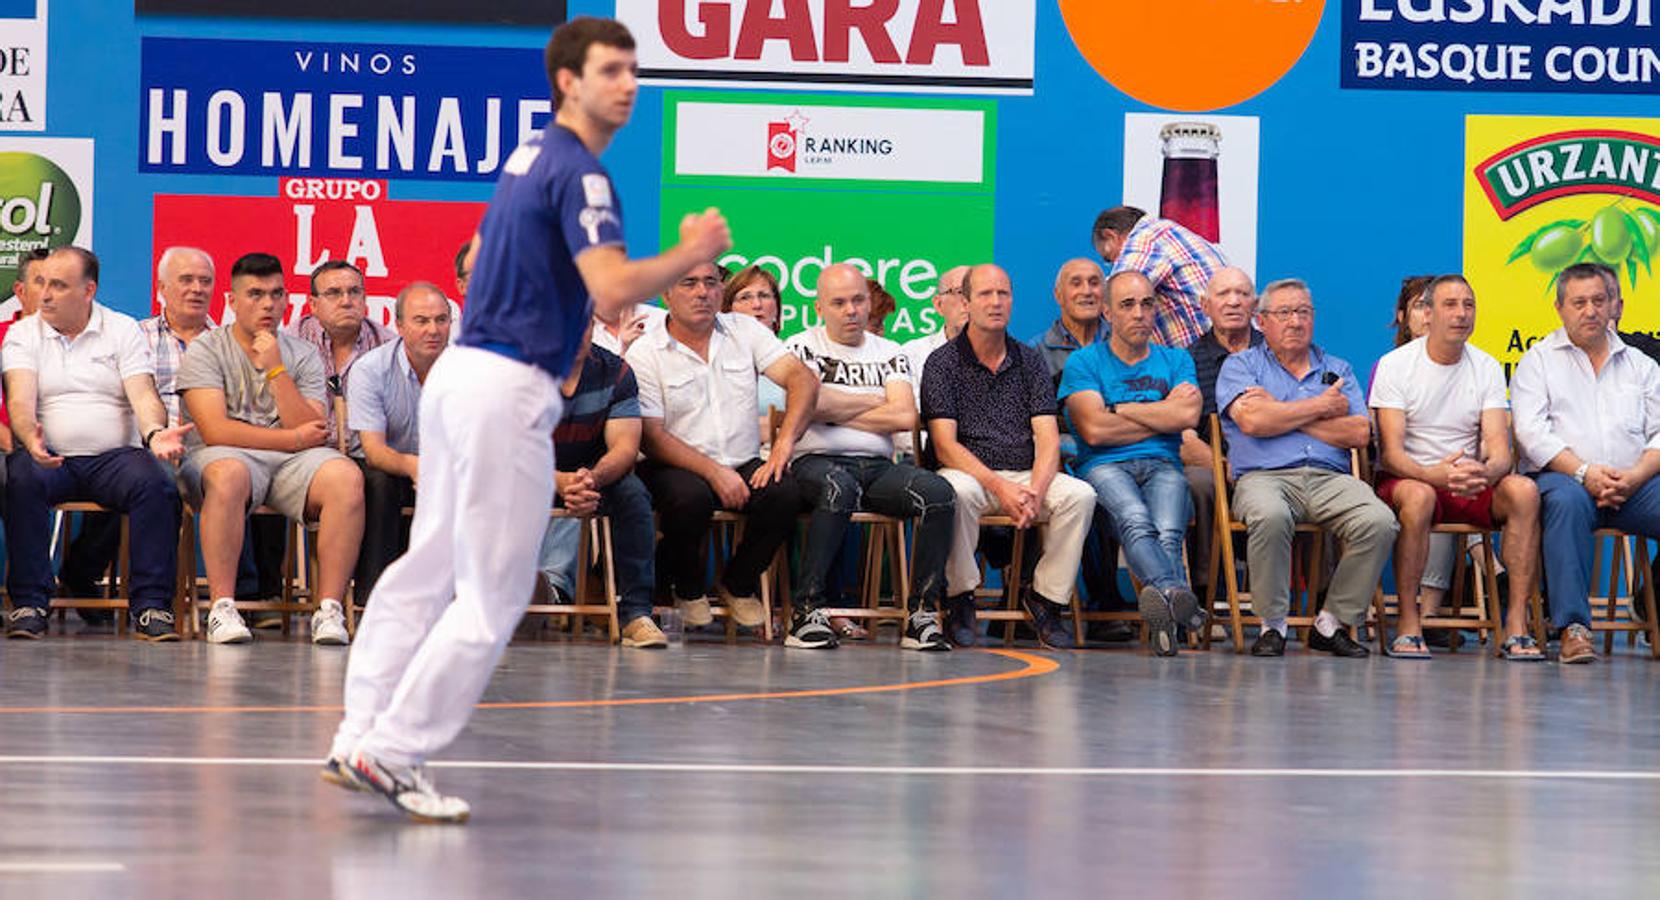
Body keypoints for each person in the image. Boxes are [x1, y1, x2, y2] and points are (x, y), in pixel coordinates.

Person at [327, 16, 733, 824]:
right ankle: (393, 748)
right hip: (504, 389)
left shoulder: (525, 158)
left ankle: (357, 734)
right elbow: (615, 288)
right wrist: (690, 252)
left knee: (429, 569)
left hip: (462, 381)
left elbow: (482, 251)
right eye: (610, 70)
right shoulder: (581, 175)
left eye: (633, 69)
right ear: (567, 84)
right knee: (494, 591)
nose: (628, 83)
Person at [1, 247, 193, 641]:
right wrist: (28, 436)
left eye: (58, 285)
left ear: (88, 290)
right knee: (21, 477)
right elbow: (19, 399)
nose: (46, 295)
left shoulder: (121, 329)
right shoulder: (23, 333)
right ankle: (29, 603)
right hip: (50, 456)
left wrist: (155, 434)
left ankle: (152, 607)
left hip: (114, 459)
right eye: (41, 284)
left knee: (156, 483)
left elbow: (142, 394)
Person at [176, 252, 363, 647]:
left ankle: (328, 609)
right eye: (255, 294)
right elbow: (214, 431)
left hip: (290, 464)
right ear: (231, 300)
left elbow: (310, 424)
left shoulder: (302, 353)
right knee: (230, 473)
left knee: (346, 476)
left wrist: (277, 370)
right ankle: (224, 607)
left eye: (276, 294)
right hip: (221, 458)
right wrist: (292, 440)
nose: (267, 304)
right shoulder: (206, 349)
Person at [627, 261, 814, 628]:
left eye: (711, 283)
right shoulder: (646, 351)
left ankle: (737, 584)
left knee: (784, 492)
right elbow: (651, 434)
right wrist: (715, 473)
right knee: (689, 498)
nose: (702, 292)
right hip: (673, 463)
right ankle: (688, 586)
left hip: (743, 459)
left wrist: (782, 446)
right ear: (667, 294)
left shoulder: (744, 330)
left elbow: (802, 379)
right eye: (690, 283)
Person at [1216, 278, 1396, 657]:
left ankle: (1329, 623)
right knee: (1269, 515)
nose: (1295, 321)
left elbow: (1359, 433)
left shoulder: (1337, 368)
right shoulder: (1240, 365)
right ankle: (1272, 626)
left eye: (1303, 312)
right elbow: (1252, 423)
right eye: (1284, 313)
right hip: (1264, 478)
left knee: (1379, 521)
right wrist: (1320, 407)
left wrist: (1280, 412)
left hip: (1330, 478)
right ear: (1261, 321)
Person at [782, 263, 955, 651]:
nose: (851, 310)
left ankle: (922, 617)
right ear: (818, 308)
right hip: (815, 462)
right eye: (839, 302)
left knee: (938, 492)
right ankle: (806, 612)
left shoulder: (890, 352)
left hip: (879, 468)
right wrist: (874, 401)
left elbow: (904, 415)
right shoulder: (800, 346)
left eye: (858, 300)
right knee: (836, 488)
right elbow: (810, 405)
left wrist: (831, 404)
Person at [922, 263, 1096, 650]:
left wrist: (1034, 490)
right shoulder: (943, 363)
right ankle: (960, 600)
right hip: (970, 473)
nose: (996, 302)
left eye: (1003, 293)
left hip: (1023, 474)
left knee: (1080, 496)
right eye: (985, 294)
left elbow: (1048, 437)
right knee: (958, 492)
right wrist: (1000, 487)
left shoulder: (1030, 360)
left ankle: (1045, 600)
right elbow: (945, 445)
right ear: (965, 302)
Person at [1369, 274, 1541, 660]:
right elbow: (1391, 454)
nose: (1461, 314)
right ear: (1427, 314)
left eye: (1469, 305)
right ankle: (1410, 622)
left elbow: (1499, 449)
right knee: (1419, 496)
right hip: (1411, 478)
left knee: (1524, 492)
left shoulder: (1487, 366)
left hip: (1468, 479)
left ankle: (1516, 623)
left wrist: (1484, 473)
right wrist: (1435, 475)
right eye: (1450, 305)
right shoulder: (1395, 366)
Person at [1512, 262, 1660, 664]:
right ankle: (1575, 629)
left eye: (1598, 300)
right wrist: (1584, 473)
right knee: (1564, 503)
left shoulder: (1642, 366)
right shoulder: (1538, 361)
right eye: (1579, 302)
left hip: (1635, 484)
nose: (1590, 310)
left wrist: (1634, 476)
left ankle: (1652, 603)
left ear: (1614, 305)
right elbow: (1531, 433)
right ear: (1560, 308)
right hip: (1566, 480)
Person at [1061, 270, 1203, 656]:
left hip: (1163, 463)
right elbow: (1093, 431)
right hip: (1103, 465)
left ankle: (1166, 623)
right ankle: (1176, 593)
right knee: (1136, 520)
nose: (1139, 313)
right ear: (1107, 313)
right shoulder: (1084, 362)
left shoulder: (1176, 359)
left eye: (1147, 303)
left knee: (1169, 531)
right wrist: (1160, 415)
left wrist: (1121, 408)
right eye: (1127, 305)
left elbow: (1187, 417)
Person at [539, 322, 664, 648]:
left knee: (633, 494)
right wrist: (559, 480)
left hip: (593, 476)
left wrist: (590, 478)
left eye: (582, 322)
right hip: (527, 473)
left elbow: (625, 448)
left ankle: (637, 613)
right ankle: (494, 599)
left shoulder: (615, 371)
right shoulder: (520, 372)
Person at [345, 281, 451, 604]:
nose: (433, 330)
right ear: (400, 325)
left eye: (441, 320)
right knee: (378, 482)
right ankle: (373, 599)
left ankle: (467, 599)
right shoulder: (370, 370)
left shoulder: (467, 369)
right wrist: (414, 467)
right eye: (421, 321)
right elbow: (374, 451)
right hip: (391, 465)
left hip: (446, 466)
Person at [1181, 267, 1262, 601]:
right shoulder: (1186, 359)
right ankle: (1207, 594)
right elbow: (1182, 436)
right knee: (1198, 483)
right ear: (1204, 305)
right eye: (1223, 295)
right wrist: (1222, 465)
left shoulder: (1277, 352)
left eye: (1242, 294)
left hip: (1272, 462)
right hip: (1213, 463)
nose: (1233, 302)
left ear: (1255, 305)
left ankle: (1320, 602)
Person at [289, 261, 392, 451]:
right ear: (313, 304)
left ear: (364, 299)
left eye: (354, 292)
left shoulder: (386, 347)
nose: (346, 301)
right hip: (304, 452)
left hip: (366, 454)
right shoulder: (293, 342)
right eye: (333, 293)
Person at [1091, 205, 1226, 349]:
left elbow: (1119, 290)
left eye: (1108, 258)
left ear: (1110, 236)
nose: (1113, 264)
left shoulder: (1145, 238)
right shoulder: (1171, 234)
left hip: (1211, 358)